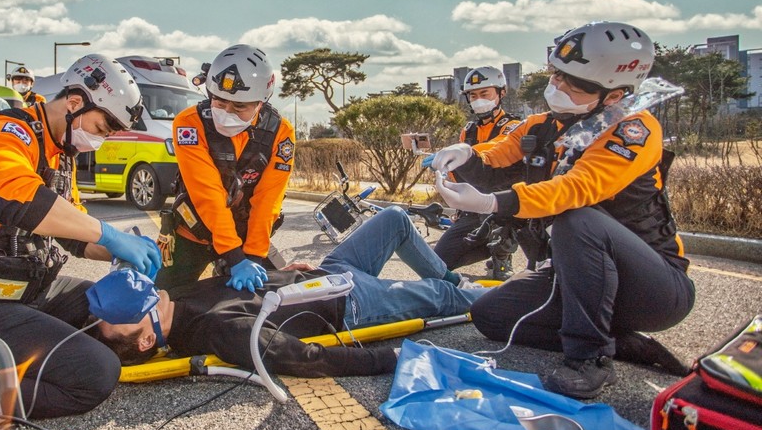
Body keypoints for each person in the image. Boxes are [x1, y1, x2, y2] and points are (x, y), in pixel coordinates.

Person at [427, 21, 694, 399]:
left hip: (652, 288)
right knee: (491, 316)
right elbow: (498, 156)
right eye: (557, 74)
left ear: (615, 95)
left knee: (577, 218)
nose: (558, 85)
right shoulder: (541, 126)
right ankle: (621, 343)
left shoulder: (633, 130)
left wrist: (493, 203)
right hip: (577, 277)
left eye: (574, 83)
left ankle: (590, 357)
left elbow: (576, 189)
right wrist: (466, 155)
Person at [0, 53, 162, 419]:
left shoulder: (59, 153)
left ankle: (3, 364)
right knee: (96, 374)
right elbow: (16, 199)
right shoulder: (1, 132)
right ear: (74, 102)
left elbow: (73, 232)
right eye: (102, 128)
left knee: (101, 307)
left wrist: (122, 249)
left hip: (15, 290)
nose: (101, 140)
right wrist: (108, 234)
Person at [93, 206, 485, 375]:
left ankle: (457, 281)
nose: (128, 296)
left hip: (328, 272)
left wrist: (278, 273)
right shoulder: (215, 331)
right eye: (124, 313)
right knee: (442, 297)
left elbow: (246, 288)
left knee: (395, 218)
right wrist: (391, 358)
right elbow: (307, 359)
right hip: (350, 302)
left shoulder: (174, 297)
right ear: (147, 340)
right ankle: (494, 300)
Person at [156, 44, 295, 292]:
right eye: (219, 102)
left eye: (239, 107)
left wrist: (252, 256)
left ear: (260, 103)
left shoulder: (280, 133)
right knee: (164, 296)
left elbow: (268, 201)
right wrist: (234, 257)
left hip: (247, 235)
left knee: (275, 295)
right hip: (194, 232)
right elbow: (207, 193)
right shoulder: (189, 124)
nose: (227, 112)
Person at [430, 66, 538, 279]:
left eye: (484, 93)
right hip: (473, 210)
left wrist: (465, 153)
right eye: (473, 95)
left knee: (532, 264)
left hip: (503, 208)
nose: (478, 100)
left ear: (501, 93)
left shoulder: (513, 127)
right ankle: (491, 252)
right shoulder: (468, 130)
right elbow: (458, 175)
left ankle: (502, 254)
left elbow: (498, 148)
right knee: (437, 264)